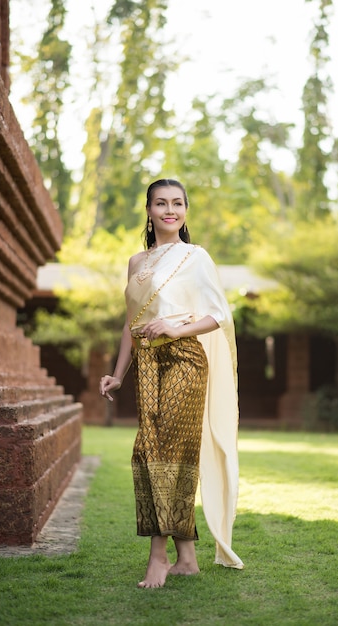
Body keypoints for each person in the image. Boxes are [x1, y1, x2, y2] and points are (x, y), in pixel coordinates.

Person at [99, 178, 243, 588]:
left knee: (156, 451)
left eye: (177, 203)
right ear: (147, 210)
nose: (170, 210)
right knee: (163, 453)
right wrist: (118, 374)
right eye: (161, 203)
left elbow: (219, 316)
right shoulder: (135, 263)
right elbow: (132, 325)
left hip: (184, 360)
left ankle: (157, 556)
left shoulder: (195, 258)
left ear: (185, 210)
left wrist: (175, 329)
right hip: (146, 364)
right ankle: (188, 558)